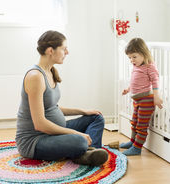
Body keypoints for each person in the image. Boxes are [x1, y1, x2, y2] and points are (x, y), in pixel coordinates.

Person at [16, 30, 108, 166]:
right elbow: (40, 124)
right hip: (36, 141)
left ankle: (85, 152)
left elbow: (53, 107)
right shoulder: (35, 77)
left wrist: (83, 111)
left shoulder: (50, 71)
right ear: (50, 51)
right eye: (64, 49)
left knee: (96, 117)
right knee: (80, 141)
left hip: (55, 132)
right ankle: (83, 152)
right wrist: (76, 134)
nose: (67, 52)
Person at [120, 38, 163, 156]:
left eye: (134, 57)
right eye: (129, 58)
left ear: (143, 54)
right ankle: (132, 142)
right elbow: (135, 81)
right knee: (134, 122)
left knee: (141, 125)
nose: (131, 60)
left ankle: (137, 148)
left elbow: (155, 81)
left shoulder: (150, 66)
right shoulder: (136, 66)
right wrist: (128, 89)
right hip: (137, 100)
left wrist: (156, 96)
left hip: (146, 100)